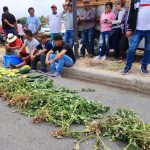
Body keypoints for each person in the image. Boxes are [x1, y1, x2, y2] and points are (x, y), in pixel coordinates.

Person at [123, 0, 150, 74]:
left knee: (148, 49)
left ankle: (144, 67)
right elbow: (131, 13)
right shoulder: (135, 0)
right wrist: (129, 29)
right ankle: (128, 67)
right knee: (131, 48)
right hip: (137, 29)